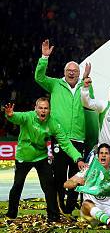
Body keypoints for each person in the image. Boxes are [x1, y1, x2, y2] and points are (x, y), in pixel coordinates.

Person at [4, 99, 86, 222]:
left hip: (41, 157)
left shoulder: (53, 123)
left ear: (49, 110)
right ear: (35, 108)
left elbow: (66, 143)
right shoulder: (28, 116)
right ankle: (11, 214)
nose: (43, 111)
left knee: (49, 186)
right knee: (17, 185)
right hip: (24, 157)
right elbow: (17, 117)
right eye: (41, 108)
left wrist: (78, 158)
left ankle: (53, 216)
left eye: (46, 108)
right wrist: (10, 115)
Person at [34, 39, 88, 214]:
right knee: (58, 174)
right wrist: (44, 57)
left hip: (79, 137)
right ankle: (58, 206)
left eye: (75, 71)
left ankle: (69, 207)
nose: (71, 73)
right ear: (64, 72)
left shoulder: (84, 87)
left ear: (79, 73)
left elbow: (90, 107)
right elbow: (39, 77)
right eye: (69, 70)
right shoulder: (55, 84)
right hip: (58, 136)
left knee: (76, 176)